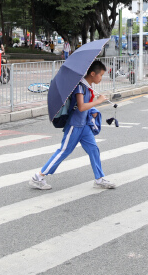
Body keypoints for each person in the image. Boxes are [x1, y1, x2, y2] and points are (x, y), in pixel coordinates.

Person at [29, 60, 116, 190]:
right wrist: (98, 102)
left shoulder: (87, 86)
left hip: (84, 125)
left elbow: (85, 107)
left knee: (94, 150)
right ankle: (38, 177)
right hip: (74, 125)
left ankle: (99, 179)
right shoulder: (80, 86)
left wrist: (92, 110)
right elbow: (81, 107)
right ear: (93, 74)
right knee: (64, 151)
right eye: (101, 75)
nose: (101, 78)